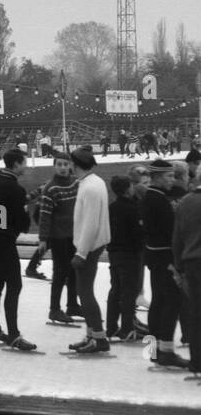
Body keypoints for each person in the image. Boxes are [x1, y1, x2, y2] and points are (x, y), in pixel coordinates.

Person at [0, 150, 38, 350]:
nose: (26, 166)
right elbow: (21, 221)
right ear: (16, 164)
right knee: (14, 285)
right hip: (4, 242)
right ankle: (13, 333)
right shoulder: (15, 189)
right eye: (23, 163)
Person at [140, 159, 186, 366]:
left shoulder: (151, 197)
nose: (172, 179)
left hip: (154, 256)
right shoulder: (158, 200)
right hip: (165, 257)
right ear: (158, 177)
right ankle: (165, 350)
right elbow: (170, 232)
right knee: (172, 300)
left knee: (158, 301)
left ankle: (154, 349)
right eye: (169, 176)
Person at [67, 148, 112, 354]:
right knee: (84, 293)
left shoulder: (90, 188)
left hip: (89, 246)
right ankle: (91, 335)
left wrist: (81, 253)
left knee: (85, 294)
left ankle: (99, 339)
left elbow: (91, 224)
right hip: (93, 244)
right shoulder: (93, 182)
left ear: (74, 165)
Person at [37, 151, 83, 325]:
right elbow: (44, 216)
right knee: (60, 272)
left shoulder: (76, 183)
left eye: (66, 164)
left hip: (74, 234)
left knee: (74, 271)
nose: (63, 168)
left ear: (70, 165)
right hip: (58, 237)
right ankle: (54, 309)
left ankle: (72, 304)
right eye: (59, 165)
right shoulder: (51, 188)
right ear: (54, 166)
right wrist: (43, 239)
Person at [105, 176, 144, 342]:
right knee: (129, 291)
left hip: (114, 253)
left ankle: (111, 327)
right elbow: (137, 233)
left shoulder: (112, 207)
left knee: (115, 289)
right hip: (129, 254)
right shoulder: (133, 208)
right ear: (128, 189)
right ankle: (127, 327)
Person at [171, 170, 201, 374]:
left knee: (196, 312)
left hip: (192, 262)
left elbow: (177, 237)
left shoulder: (186, 201)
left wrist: (178, 266)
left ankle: (196, 360)